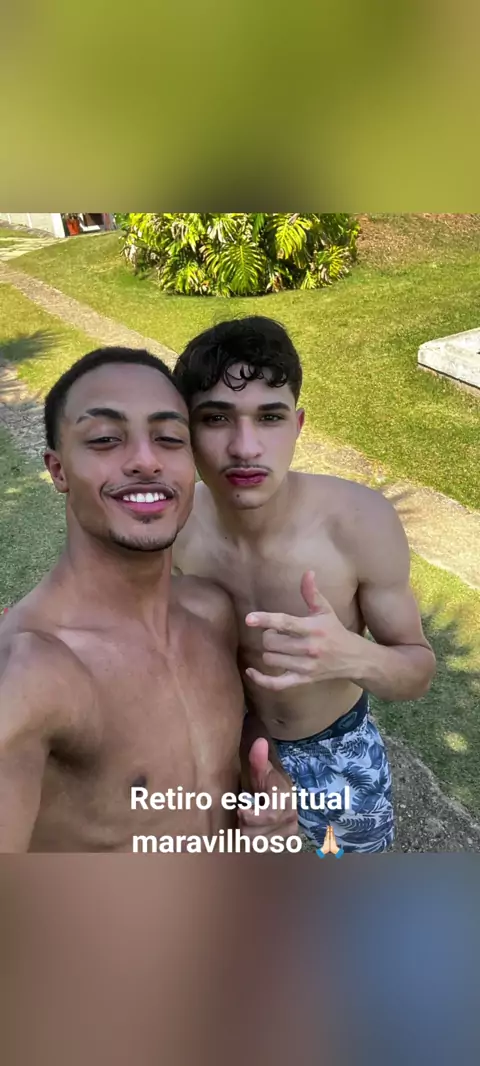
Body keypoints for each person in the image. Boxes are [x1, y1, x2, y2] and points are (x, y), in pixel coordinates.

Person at [0, 346, 296, 852]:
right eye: (105, 439)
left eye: (169, 438)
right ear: (58, 469)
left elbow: (240, 730)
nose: (145, 459)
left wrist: (271, 784)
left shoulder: (212, 612)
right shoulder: (30, 675)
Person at [172, 317, 437, 853]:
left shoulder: (359, 522)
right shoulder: (173, 528)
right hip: (230, 751)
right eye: (216, 418)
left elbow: (417, 673)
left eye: (269, 417)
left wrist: (351, 657)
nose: (245, 447)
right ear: (187, 433)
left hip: (339, 753)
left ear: (297, 425)